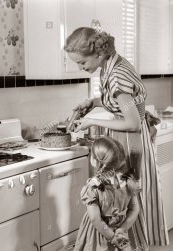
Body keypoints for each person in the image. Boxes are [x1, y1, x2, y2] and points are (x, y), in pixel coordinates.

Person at [64, 27, 169, 250]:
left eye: (82, 63)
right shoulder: (111, 65)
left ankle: (130, 244)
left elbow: (131, 121)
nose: (81, 68)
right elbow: (123, 104)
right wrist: (93, 103)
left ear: (98, 54)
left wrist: (94, 121)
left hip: (131, 141)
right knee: (121, 195)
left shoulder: (117, 75)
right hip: (127, 137)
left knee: (126, 196)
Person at [74, 136, 139, 251]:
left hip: (98, 233)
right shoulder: (128, 180)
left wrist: (112, 237)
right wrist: (122, 229)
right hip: (120, 229)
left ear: (95, 161)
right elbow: (134, 209)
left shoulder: (93, 187)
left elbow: (95, 219)